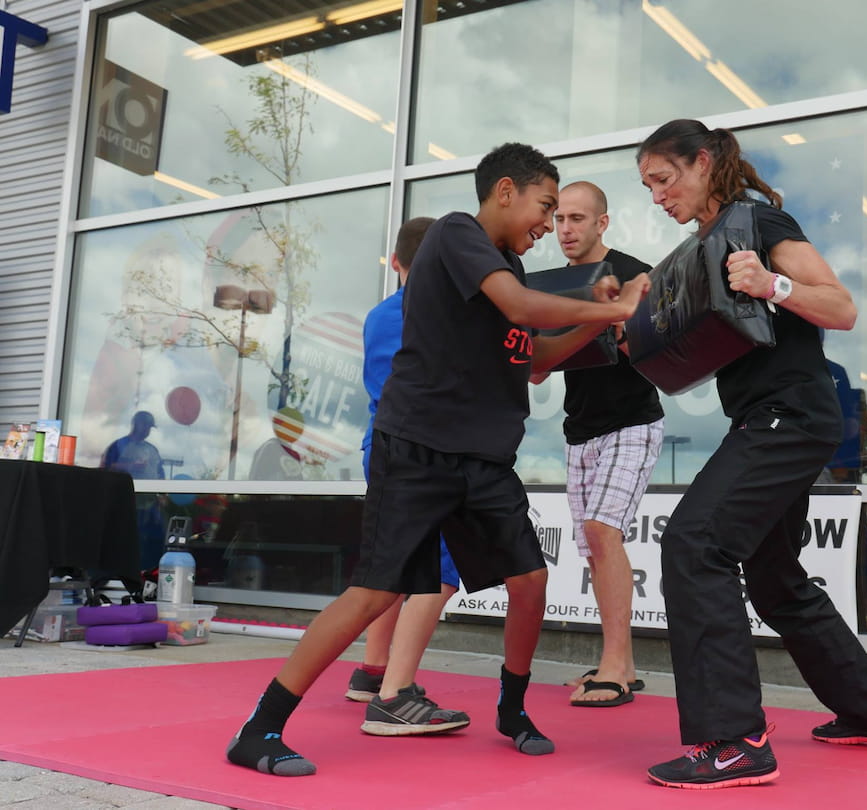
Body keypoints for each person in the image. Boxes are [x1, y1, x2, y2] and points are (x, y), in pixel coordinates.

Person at [224, 142, 650, 776]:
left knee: (530, 583)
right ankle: (260, 728)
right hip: (416, 450)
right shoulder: (457, 236)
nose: (548, 222)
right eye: (545, 206)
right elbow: (521, 307)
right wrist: (614, 305)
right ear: (505, 191)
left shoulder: (508, 270)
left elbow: (534, 362)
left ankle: (511, 709)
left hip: (484, 460)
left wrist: (598, 324)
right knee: (375, 593)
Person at [635, 119, 867, 790]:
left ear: (703, 163)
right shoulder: (706, 245)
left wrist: (771, 285)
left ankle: (735, 742)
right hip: (770, 416)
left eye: (664, 180)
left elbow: (840, 308)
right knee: (773, 574)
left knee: (695, 543)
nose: (657, 196)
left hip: (792, 414)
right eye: (647, 187)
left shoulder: (757, 224)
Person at [341, 216, 468, 736]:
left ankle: (373, 672)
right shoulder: (437, 313)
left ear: (395, 262)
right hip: (423, 451)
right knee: (440, 569)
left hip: (385, 446)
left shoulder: (378, 314)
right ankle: (396, 693)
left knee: (397, 563)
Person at [543, 181, 664, 707]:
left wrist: (628, 331)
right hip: (579, 429)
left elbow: (669, 344)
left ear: (601, 223)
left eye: (576, 219)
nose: (565, 229)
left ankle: (614, 665)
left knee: (601, 529)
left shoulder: (637, 274)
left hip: (633, 421)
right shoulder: (551, 285)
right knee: (594, 546)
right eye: (559, 220)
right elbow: (536, 366)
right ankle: (623, 663)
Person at [101, 410, 166, 573]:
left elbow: (160, 474)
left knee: (153, 541)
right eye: (145, 426)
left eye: (150, 427)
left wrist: (163, 494)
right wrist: (131, 467)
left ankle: (148, 575)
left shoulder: (152, 450)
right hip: (126, 503)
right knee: (127, 541)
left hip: (150, 506)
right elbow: (107, 468)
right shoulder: (119, 445)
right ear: (136, 424)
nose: (147, 430)